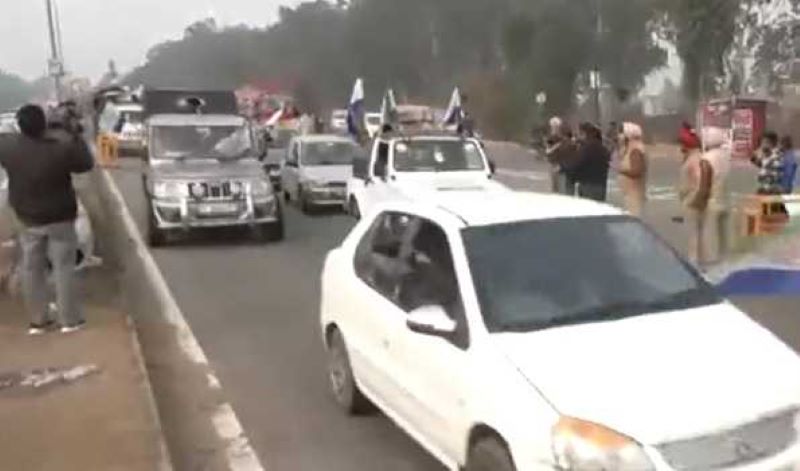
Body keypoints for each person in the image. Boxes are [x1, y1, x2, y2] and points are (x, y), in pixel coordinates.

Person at [0, 105, 94, 335]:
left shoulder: (9, 148)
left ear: (19, 125)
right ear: (43, 125)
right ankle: (69, 320)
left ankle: (38, 321)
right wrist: (74, 133)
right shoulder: (60, 148)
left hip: (28, 219)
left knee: (31, 269)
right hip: (60, 218)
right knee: (64, 268)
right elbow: (86, 164)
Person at [679, 127, 731, 269]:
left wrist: (694, 203)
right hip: (725, 201)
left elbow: (704, 186)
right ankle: (725, 268)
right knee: (722, 244)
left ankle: (708, 273)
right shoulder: (725, 156)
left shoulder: (707, 159)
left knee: (710, 244)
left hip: (712, 204)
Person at [616, 122, 648, 217]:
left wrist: (620, 169)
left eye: (621, 133)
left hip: (634, 196)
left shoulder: (636, 150)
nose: (619, 135)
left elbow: (636, 171)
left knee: (632, 220)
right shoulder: (628, 147)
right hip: (628, 194)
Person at [575, 122, 610, 202]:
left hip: (587, 184)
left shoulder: (586, 148)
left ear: (586, 134)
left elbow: (577, 164)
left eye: (581, 133)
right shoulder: (603, 148)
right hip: (601, 185)